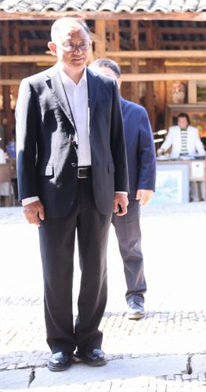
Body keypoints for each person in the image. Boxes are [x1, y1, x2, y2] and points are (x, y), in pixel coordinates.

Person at [16, 18, 129, 372]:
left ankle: (90, 341)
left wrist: (121, 187)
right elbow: (26, 147)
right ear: (54, 48)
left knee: (96, 268)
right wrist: (28, 196)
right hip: (53, 191)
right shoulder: (35, 86)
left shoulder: (105, 86)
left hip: (98, 187)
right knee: (57, 270)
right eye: (70, 44)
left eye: (83, 44)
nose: (78, 51)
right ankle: (61, 344)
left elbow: (116, 141)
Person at [89, 59, 156, 321]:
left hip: (126, 193)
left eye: (108, 78)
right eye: (97, 79)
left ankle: (136, 295)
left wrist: (147, 184)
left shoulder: (135, 112)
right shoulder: (86, 113)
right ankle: (93, 302)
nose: (103, 84)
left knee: (130, 246)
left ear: (119, 82)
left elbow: (147, 152)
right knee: (92, 249)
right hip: (92, 192)